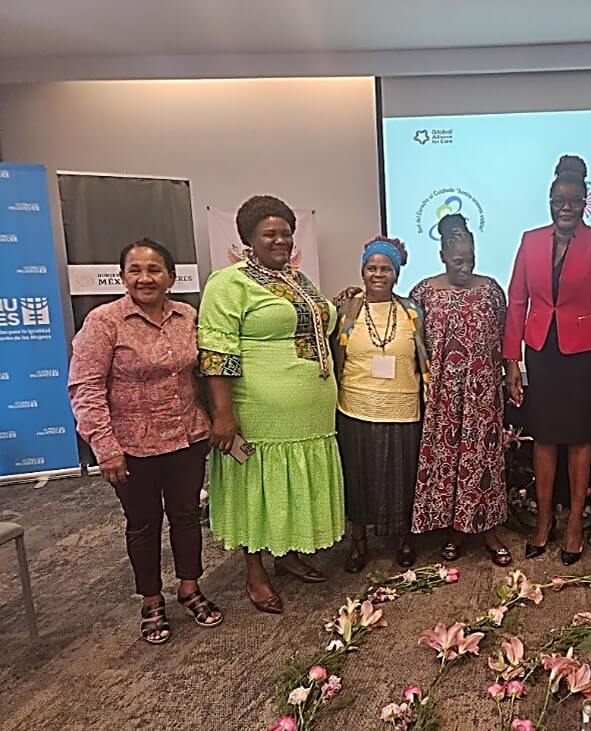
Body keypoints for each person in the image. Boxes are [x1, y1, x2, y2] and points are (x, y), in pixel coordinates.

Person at [68, 239, 222, 644]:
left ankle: (189, 587)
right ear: (122, 277)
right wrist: (105, 447)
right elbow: (85, 388)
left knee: (187, 516)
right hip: (131, 446)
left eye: (154, 270)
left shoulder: (187, 315)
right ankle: (151, 600)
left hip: (188, 437)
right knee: (143, 523)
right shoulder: (105, 322)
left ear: (171, 277)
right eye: (135, 270)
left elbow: (203, 373)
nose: (145, 278)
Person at [198, 195, 344, 614]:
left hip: (310, 411)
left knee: (291, 487)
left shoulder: (300, 280)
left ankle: (288, 552)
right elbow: (215, 350)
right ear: (248, 238)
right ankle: (255, 571)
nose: (280, 240)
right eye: (270, 234)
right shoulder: (229, 283)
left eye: (286, 233)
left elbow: (319, 323)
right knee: (258, 488)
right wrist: (223, 414)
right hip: (260, 408)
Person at [503, 155, 591, 565]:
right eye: (559, 199)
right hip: (540, 351)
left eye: (574, 199)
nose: (565, 206)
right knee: (544, 435)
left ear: (585, 201)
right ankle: (543, 521)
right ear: (550, 200)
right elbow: (517, 300)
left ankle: (574, 522)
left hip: (583, 355)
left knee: (578, 439)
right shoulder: (530, 240)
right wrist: (511, 360)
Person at [410, 214, 511, 566]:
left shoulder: (491, 290)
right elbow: (411, 342)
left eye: (470, 258)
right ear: (442, 255)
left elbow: (505, 339)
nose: (465, 266)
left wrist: (510, 376)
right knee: (448, 460)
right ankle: (452, 529)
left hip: (481, 395)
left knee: (482, 459)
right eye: (457, 260)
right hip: (441, 395)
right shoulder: (424, 292)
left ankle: (488, 530)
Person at [334, 237, 428, 573]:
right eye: (372, 268)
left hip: (403, 408)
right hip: (354, 408)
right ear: (362, 271)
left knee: (402, 478)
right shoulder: (345, 310)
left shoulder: (413, 310)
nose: (378, 274)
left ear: (397, 273)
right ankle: (359, 543)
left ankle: (404, 539)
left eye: (385, 268)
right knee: (357, 477)